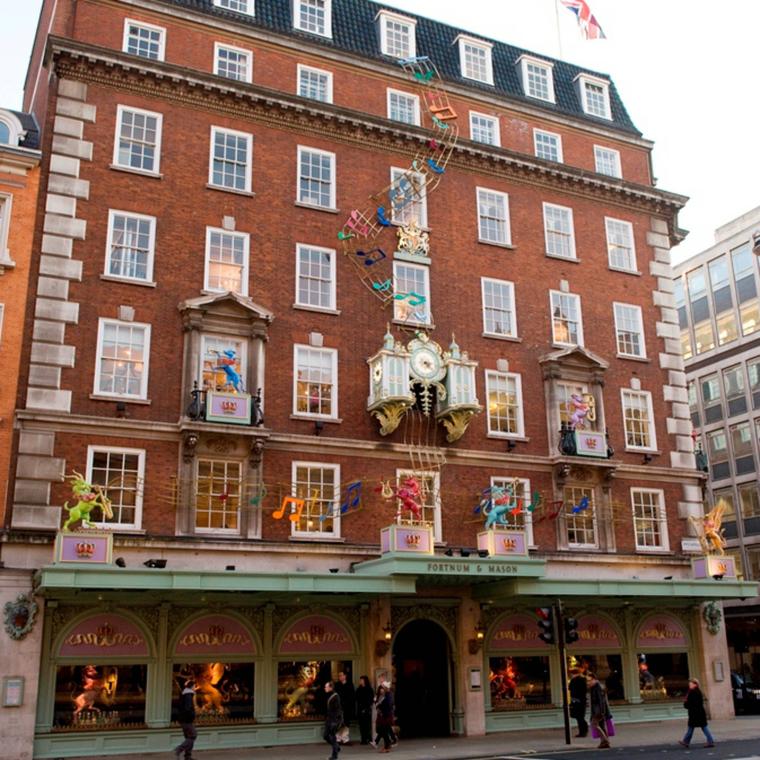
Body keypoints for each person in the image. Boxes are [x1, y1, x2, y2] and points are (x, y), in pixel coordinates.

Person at [679, 678, 715, 748]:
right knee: (697, 727)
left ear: (695, 684)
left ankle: (686, 741)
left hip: (696, 714)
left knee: (699, 727)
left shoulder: (693, 692)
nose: (689, 684)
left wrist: (686, 703)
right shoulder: (696, 691)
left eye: (691, 683)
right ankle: (686, 741)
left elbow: (692, 703)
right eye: (689, 683)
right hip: (698, 713)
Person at [174, 679, 197, 760]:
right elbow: (188, 708)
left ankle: (188, 756)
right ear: (192, 686)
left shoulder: (184, 694)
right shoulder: (188, 695)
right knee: (193, 735)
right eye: (194, 686)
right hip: (186, 720)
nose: (195, 687)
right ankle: (179, 749)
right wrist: (192, 715)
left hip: (183, 719)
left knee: (188, 737)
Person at [588, 672, 612, 749]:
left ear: (594, 679)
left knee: (594, 724)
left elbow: (601, 701)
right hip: (597, 710)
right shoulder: (594, 687)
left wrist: (602, 712)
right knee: (601, 726)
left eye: (589, 680)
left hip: (598, 711)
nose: (588, 682)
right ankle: (604, 743)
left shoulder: (598, 687)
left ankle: (605, 741)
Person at [323, 681, 343, 760]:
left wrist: (335, 722)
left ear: (330, 688)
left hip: (333, 720)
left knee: (332, 737)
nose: (325, 688)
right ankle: (337, 747)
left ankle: (334, 756)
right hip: (329, 719)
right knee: (325, 736)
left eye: (326, 687)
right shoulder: (328, 695)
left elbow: (337, 709)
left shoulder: (335, 696)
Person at [334, 671, 355, 744]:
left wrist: (351, 706)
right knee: (340, 723)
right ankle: (338, 738)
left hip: (347, 707)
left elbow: (352, 696)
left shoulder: (349, 684)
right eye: (339, 676)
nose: (340, 677)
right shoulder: (337, 685)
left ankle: (344, 738)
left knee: (346, 723)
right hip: (339, 707)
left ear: (345, 676)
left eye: (341, 675)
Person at [374, 685, 395, 753]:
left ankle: (387, 746)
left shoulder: (388, 695)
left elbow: (388, 705)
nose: (381, 690)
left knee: (384, 731)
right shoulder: (382, 696)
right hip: (382, 715)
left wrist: (380, 707)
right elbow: (377, 704)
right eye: (381, 688)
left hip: (386, 716)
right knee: (382, 731)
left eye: (383, 688)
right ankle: (388, 744)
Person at [355, 675, 375, 745]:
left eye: (361, 680)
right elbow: (356, 698)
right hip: (360, 709)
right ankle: (363, 739)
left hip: (367, 709)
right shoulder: (358, 689)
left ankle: (368, 738)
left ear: (365, 681)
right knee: (361, 725)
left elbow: (371, 700)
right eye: (360, 680)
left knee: (367, 725)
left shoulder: (369, 689)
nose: (360, 681)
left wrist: (366, 708)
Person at [569, 668, 588, 738]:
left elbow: (583, 691)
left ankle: (583, 732)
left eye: (572, 674)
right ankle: (582, 731)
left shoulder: (580, 680)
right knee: (578, 717)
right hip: (576, 700)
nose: (571, 675)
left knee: (580, 717)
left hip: (579, 701)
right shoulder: (574, 680)